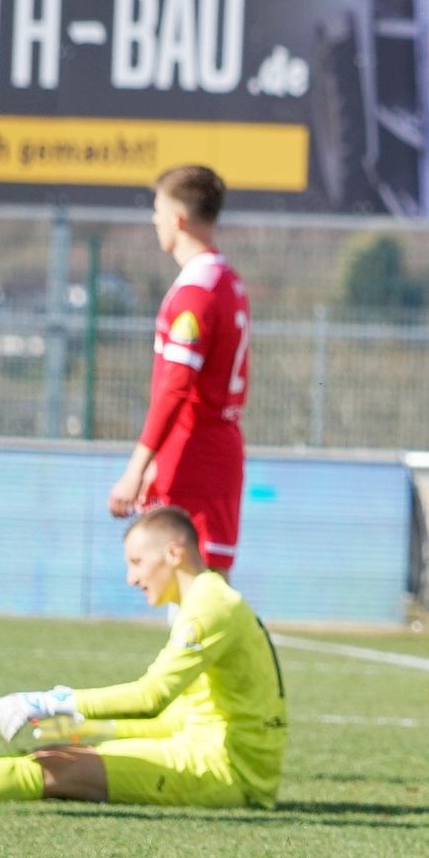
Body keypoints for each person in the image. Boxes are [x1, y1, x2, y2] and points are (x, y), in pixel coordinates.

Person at [0, 506, 287, 809]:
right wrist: (83, 725)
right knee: (62, 749)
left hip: (227, 772)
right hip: (210, 750)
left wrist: (50, 701)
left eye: (137, 562)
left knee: (52, 769)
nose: (132, 577)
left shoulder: (210, 605)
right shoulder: (208, 598)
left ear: (173, 553)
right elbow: (188, 716)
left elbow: (151, 697)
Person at [107, 166, 249, 574]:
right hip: (209, 449)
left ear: (178, 219)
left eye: (158, 210)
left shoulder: (195, 293)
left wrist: (136, 468)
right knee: (196, 589)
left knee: (195, 589)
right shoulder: (226, 280)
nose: (155, 219)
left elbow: (176, 387)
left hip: (194, 456)